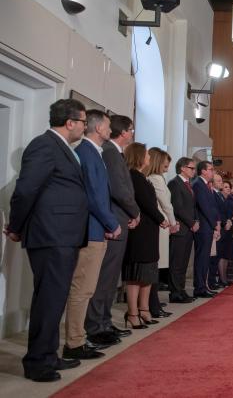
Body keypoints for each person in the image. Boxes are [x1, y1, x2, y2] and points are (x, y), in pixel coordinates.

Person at [5, 99, 88, 382]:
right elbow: (26, 189)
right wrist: (16, 225)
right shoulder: (44, 145)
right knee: (49, 299)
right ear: (70, 123)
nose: (85, 127)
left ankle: (49, 355)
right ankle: (38, 362)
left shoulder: (62, 147)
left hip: (63, 234)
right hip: (52, 234)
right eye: (83, 122)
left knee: (54, 298)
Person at [63, 110, 120, 361]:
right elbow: (94, 196)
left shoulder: (92, 153)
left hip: (96, 229)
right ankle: (74, 342)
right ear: (98, 129)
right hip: (91, 229)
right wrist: (111, 222)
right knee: (82, 288)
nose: (110, 130)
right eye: (108, 126)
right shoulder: (86, 153)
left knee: (86, 288)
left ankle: (79, 337)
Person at [85, 115, 138, 347]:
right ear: (123, 132)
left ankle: (104, 322)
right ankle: (96, 326)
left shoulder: (113, 152)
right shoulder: (109, 152)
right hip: (114, 220)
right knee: (105, 277)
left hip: (118, 219)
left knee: (110, 276)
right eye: (131, 129)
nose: (133, 133)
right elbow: (119, 189)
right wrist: (135, 211)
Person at [123, 143, 167, 328]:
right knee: (136, 273)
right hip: (140, 231)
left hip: (149, 230)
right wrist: (161, 218)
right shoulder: (134, 177)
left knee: (148, 272)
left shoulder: (143, 177)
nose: (149, 158)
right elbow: (146, 203)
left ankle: (144, 309)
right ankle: (133, 313)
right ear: (139, 157)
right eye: (147, 155)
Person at [145, 147, 177, 318]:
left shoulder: (158, 178)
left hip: (161, 225)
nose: (168, 165)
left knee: (156, 267)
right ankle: (152, 303)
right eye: (166, 162)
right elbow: (166, 203)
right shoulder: (155, 179)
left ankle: (154, 301)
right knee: (155, 266)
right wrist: (173, 222)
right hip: (161, 225)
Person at [167, 157, 199, 303]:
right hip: (180, 228)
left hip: (188, 229)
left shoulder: (188, 184)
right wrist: (192, 222)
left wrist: (195, 221)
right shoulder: (175, 183)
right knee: (177, 263)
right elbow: (178, 207)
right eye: (191, 168)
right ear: (183, 168)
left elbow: (192, 207)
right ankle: (175, 293)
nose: (194, 171)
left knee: (184, 262)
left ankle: (181, 290)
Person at [193, 161, 221, 298]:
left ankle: (204, 286)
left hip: (208, 226)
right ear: (203, 171)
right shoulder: (198, 184)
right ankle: (199, 287)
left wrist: (216, 222)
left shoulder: (205, 185)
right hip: (203, 227)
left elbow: (213, 207)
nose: (212, 172)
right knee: (202, 258)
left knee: (205, 259)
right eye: (210, 169)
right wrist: (214, 224)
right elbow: (204, 207)